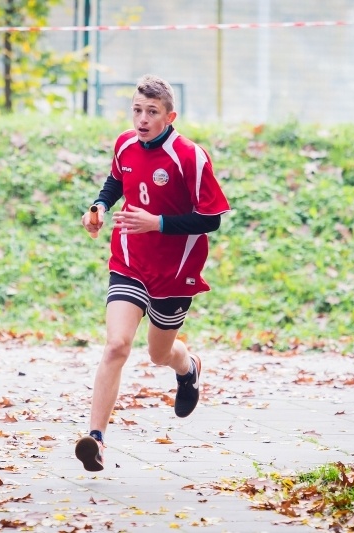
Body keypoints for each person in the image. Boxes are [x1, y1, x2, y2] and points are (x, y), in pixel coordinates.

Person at [75, 74, 231, 472]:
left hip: (175, 273)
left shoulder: (190, 157)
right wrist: (99, 207)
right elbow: (116, 180)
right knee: (116, 346)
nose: (142, 119)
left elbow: (210, 220)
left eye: (152, 112)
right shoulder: (125, 143)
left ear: (170, 115)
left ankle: (188, 367)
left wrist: (157, 223)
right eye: (137, 110)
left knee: (159, 354)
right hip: (128, 262)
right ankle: (95, 440)